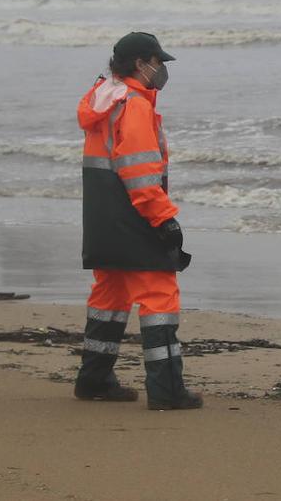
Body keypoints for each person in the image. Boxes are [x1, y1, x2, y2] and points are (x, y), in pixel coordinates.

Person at [72, 31, 202, 410]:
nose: (161, 69)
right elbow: (141, 174)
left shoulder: (103, 100)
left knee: (109, 297)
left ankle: (94, 379)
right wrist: (165, 220)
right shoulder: (135, 106)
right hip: (133, 217)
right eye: (157, 62)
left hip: (102, 219)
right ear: (141, 64)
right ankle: (167, 390)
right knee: (159, 296)